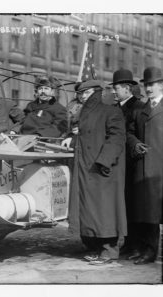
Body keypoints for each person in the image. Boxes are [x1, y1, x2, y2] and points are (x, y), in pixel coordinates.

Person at [63, 80, 127, 265]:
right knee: (91, 210)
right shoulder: (87, 111)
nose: (80, 97)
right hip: (87, 167)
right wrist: (72, 140)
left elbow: (117, 137)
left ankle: (109, 251)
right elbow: (85, 137)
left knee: (105, 210)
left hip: (102, 169)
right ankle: (97, 247)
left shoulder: (110, 110)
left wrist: (104, 161)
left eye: (83, 93)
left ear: (92, 92)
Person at [126, 66, 163, 264]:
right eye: (146, 85)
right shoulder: (140, 109)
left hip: (159, 168)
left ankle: (151, 250)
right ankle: (142, 248)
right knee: (142, 209)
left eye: (152, 85)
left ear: (161, 85)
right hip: (141, 165)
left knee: (154, 211)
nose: (148, 89)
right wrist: (135, 144)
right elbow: (129, 132)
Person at [109, 69, 146, 257]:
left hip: (132, 163)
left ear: (126, 88)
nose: (114, 92)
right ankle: (129, 243)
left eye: (116, 88)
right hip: (119, 163)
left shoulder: (138, 107)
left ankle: (136, 245)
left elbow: (137, 134)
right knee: (124, 205)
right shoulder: (116, 107)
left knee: (133, 206)